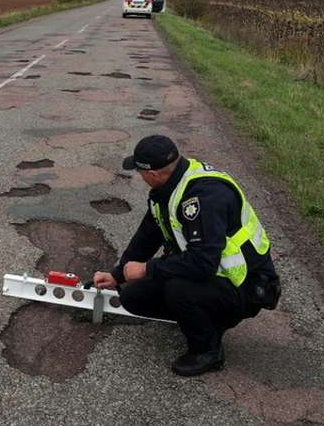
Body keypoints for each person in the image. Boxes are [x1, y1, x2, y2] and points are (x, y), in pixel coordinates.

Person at [93, 135, 280, 376]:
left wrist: (147, 269)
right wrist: (118, 274)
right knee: (132, 296)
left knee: (178, 289)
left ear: (153, 174)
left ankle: (208, 350)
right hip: (214, 274)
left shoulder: (203, 198)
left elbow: (202, 263)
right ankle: (194, 315)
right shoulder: (169, 187)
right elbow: (148, 234)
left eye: (140, 172)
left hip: (247, 285)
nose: (140, 177)